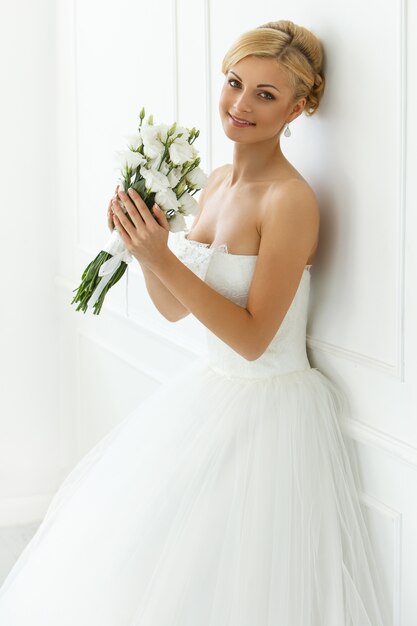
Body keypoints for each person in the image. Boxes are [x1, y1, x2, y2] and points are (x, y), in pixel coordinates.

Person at [0, 19, 390, 626]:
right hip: (210, 392)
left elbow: (255, 339)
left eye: (266, 93)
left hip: (271, 412)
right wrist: (142, 243)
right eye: (235, 83)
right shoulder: (214, 182)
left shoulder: (290, 200)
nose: (240, 104)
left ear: (300, 107)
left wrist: (161, 256)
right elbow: (174, 307)